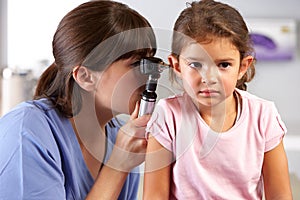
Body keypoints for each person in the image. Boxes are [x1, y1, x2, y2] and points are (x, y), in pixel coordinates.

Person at [0, 0, 157, 199]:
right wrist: (117, 166)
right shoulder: (26, 131)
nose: (151, 75)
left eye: (150, 62)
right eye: (136, 64)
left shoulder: (122, 140)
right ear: (85, 77)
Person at [143, 0, 293, 199]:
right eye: (196, 64)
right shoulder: (168, 116)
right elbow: (154, 196)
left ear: (242, 67)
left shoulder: (263, 116)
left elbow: (280, 196)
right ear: (177, 66)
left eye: (223, 65)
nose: (209, 78)